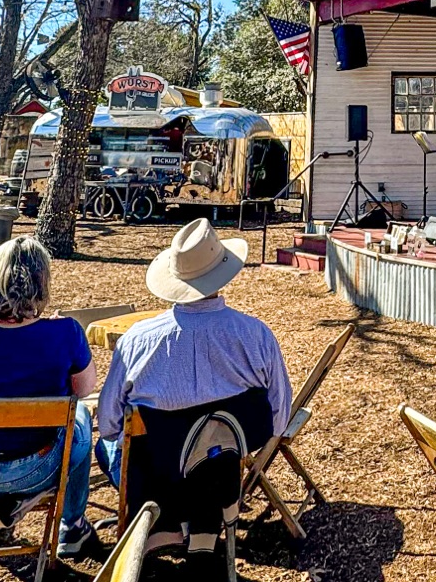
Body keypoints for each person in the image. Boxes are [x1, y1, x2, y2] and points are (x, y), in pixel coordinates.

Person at [96, 219, 292, 534]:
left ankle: (162, 518)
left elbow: (109, 424)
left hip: (156, 472)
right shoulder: (256, 336)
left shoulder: (136, 341)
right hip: (222, 474)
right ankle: (201, 517)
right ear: (222, 272)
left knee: (107, 448)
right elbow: (277, 418)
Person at [0, 235, 98, 558]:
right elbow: (84, 389)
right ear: (41, 282)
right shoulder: (65, 333)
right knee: (79, 416)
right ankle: (72, 525)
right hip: (34, 468)